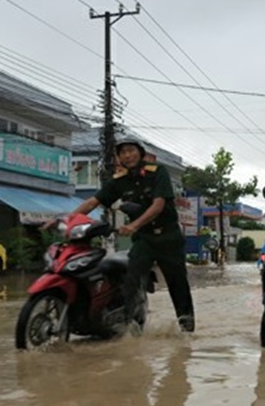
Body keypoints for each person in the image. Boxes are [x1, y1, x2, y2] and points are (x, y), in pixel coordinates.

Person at [44, 136, 195, 332]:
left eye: (131, 150)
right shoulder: (119, 181)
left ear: (140, 153)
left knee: (178, 284)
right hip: (145, 239)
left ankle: (187, 330)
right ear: (119, 158)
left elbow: (158, 205)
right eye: (123, 152)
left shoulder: (157, 172)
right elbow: (92, 203)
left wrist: (134, 225)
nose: (128, 155)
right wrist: (62, 220)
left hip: (169, 237)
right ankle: (130, 328)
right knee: (131, 281)